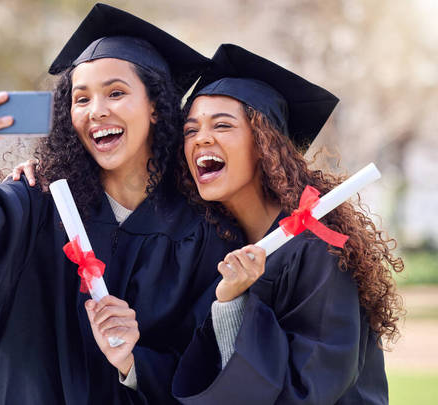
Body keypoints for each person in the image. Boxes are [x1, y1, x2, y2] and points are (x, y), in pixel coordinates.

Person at [0, 4, 239, 404]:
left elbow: (203, 367)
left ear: (157, 108)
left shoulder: (200, 233)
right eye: (81, 98)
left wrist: (132, 362)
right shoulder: (40, 202)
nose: (96, 111)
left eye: (116, 93)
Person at [169, 44, 404, 404]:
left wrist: (233, 303)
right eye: (190, 129)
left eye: (222, 125)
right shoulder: (218, 240)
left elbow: (310, 391)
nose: (201, 138)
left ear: (264, 144)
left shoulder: (317, 250)